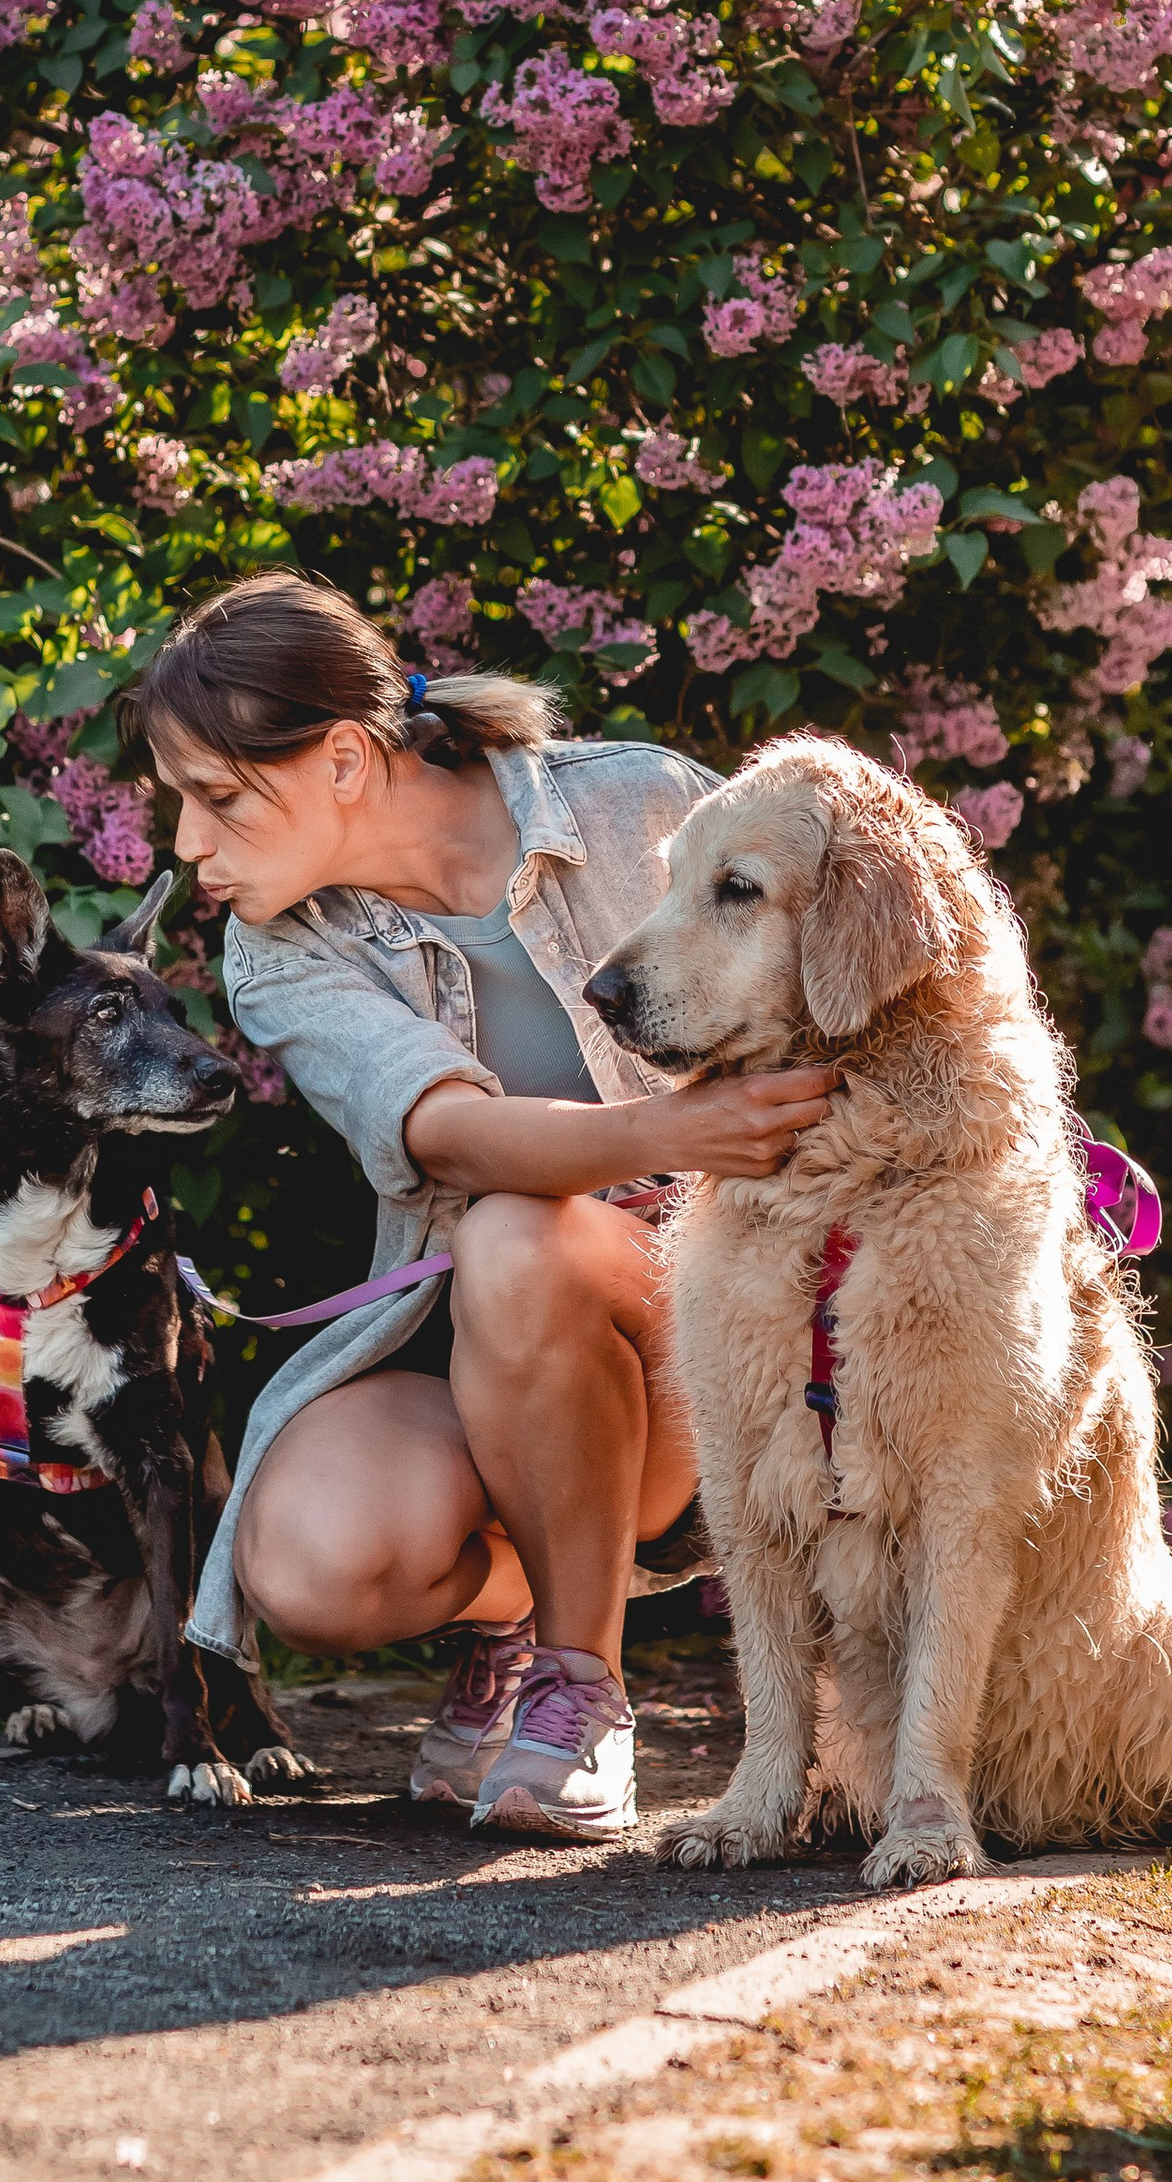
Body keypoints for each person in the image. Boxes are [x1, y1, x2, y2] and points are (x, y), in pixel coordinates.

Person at [139, 573, 838, 1843]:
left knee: (514, 1232)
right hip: (502, 1350)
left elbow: (846, 995)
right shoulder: (277, 950)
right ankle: (529, 1610)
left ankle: (579, 1690)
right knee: (305, 1562)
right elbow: (440, 1128)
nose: (189, 844)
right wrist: (657, 1130)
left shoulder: (643, 805)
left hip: (737, 1327)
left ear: (345, 759)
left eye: (220, 798)